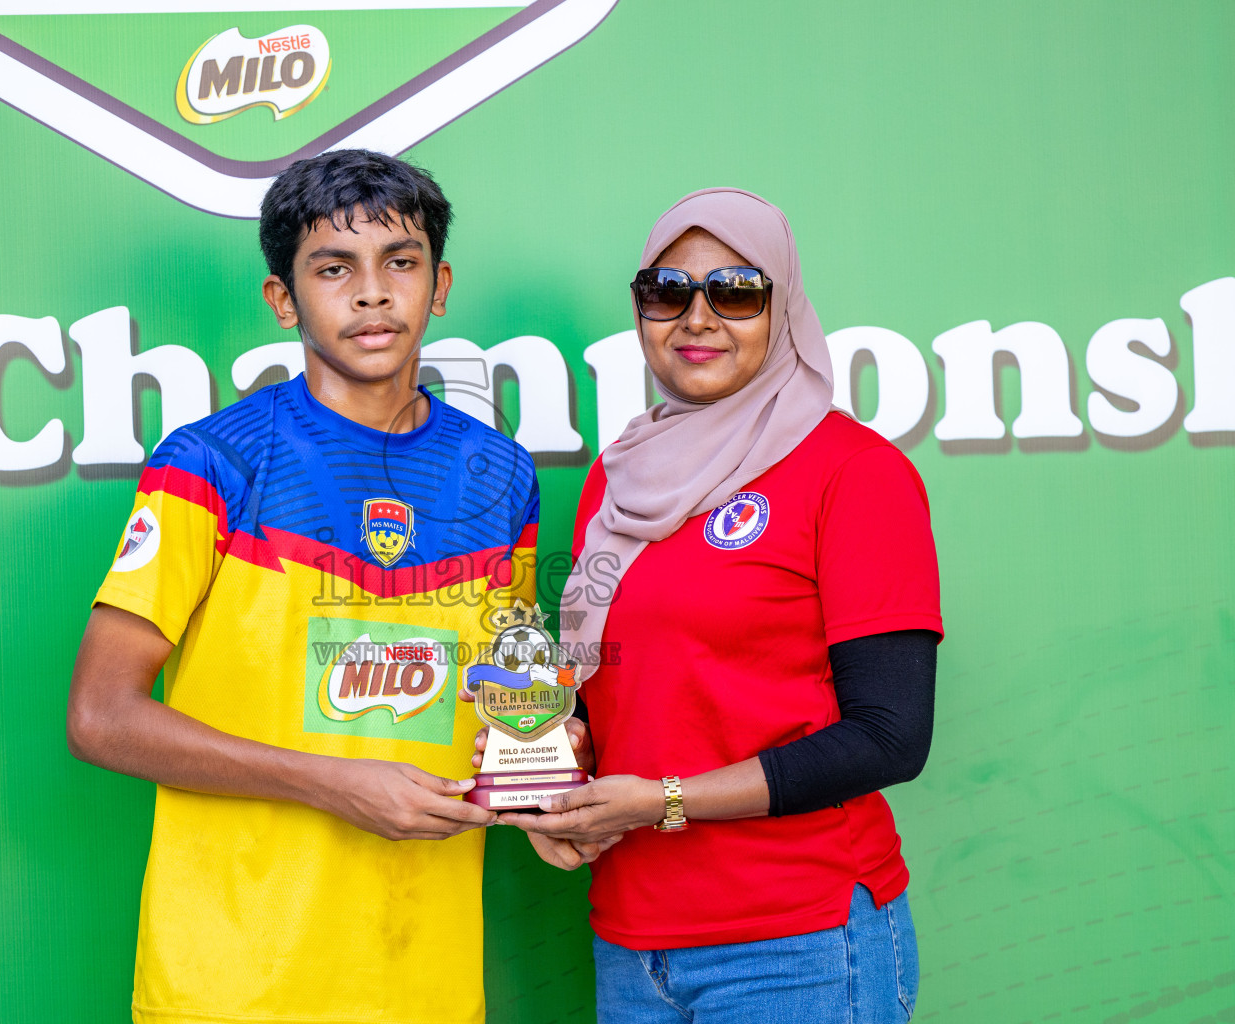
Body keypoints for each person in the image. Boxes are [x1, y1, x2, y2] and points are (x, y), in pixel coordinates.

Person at [67, 149, 539, 1024]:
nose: (371, 293)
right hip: (235, 987)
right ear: (283, 299)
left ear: (437, 285)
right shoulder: (211, 462)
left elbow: (509, 705)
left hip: (425, 986)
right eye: (334, 268)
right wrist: (333, 781)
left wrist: (544, 775)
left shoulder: (499, 475)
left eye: (399, 262)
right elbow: (100, 716)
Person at [498, 189, 942, 1023]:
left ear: (782, 309)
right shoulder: (620, 474)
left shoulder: (853, 472)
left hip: (796, 943)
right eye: (667, 292)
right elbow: (613, 692)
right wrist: (549, 790)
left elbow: (891, 735)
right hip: (632, 939)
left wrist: (664, 800)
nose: (696, 318)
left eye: (736, 292)